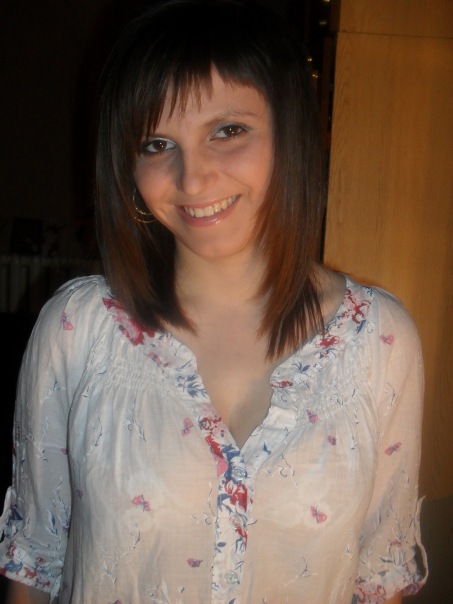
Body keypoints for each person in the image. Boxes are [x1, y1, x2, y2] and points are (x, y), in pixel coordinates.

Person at [0, 0, 428, 602]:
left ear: (289, 132)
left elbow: (380, 578)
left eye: (228, 131)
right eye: (157, 143)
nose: (193, 178)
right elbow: (36, 562)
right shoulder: (77, 330)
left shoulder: (380, 341)